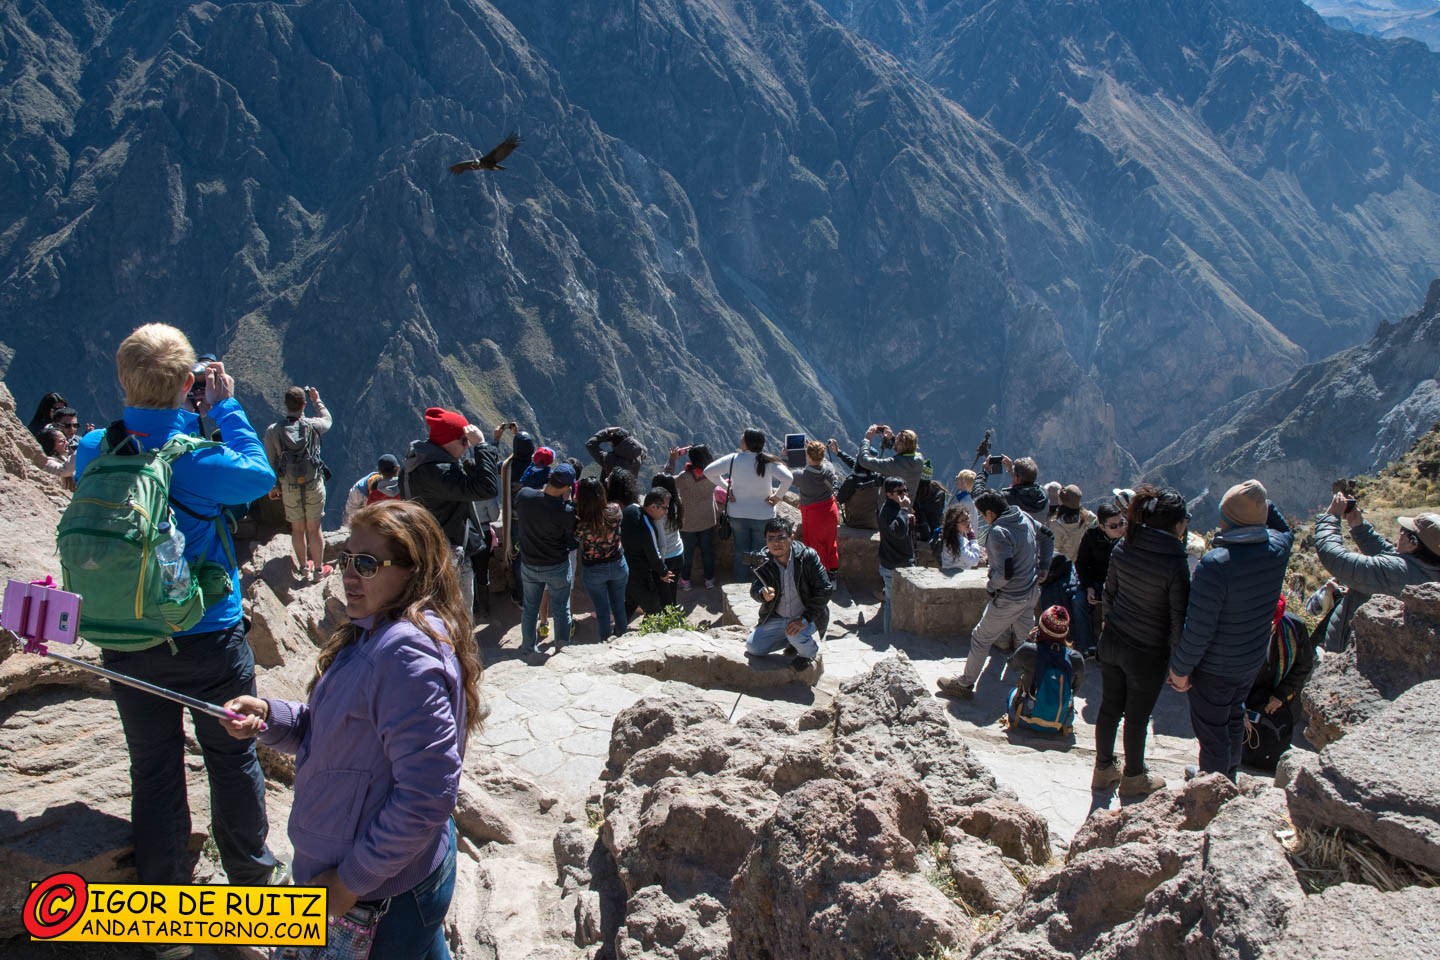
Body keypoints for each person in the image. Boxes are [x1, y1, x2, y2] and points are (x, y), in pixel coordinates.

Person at [73, 324, 281, 906]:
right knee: (231, 756)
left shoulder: (95, 451)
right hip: (207, 638)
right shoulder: (198, 458)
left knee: (154, 769)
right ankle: (251, 886)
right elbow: (258, 477)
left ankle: (162, 908)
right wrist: (226, 405)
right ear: (190, 383)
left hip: (126, 639)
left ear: (122, 378)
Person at [223, 500, 479, 960]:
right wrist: (269, 715)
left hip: (381, 895)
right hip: (400, 877)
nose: (349, 574)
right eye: (346, 559)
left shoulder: (402, 654)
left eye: (367, 563)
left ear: (412, 571)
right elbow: (337, 733)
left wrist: (347, 883)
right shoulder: (375, 631)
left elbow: (427, 793)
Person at [1169, 479, 1293, 782]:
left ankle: (1213, 789)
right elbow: (1285, 528)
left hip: (1215, 666)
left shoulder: (1217, 564)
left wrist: (1180, 670)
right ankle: (1230, 773)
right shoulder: (1277, 549)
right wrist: (1258, 501)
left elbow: (1199, 628)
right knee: (1234, 716)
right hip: (1250, 660)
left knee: (1212, 731)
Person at [1090, 486, 1190, 796]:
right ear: (1177, 523)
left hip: (1113, 640)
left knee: (1109, 707)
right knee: (1136, 717)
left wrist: (1110, 624)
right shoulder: (1175, 561)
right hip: (1147, 652)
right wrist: (1179, 664)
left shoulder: (1125, 545)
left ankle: (1104, 768)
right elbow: (1178, 619)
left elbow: (1109, 593)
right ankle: (1134, 776)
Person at [937, 487, 1053, 699]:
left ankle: (964, 685)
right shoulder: (1023, 516)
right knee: (1026, 638)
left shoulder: (999, 532)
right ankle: (1033, 684)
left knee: (981, 638)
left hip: (1010, 597)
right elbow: (1047, 534)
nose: (982, 519)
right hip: (1031, 591)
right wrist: (1044, 565)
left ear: (990, 513)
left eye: (982, 515)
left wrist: (991, 587)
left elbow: (1005, 572)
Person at [401, 407, 502, 616]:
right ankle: (457, 647)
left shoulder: (418, 462)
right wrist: (481, 445)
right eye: (464, 442)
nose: (466, 448)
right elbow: (486, 488)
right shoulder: (438, 471)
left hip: (432, 544)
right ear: (450, 441)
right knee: (456, 615)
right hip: (445, 553)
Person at [1312, 498, 1440, 651]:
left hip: (1347, 653)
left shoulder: (1396, 571)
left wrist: (1330, 518)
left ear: (1412, 543)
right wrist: (1358, 526)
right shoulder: (1428, 568)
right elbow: (1392, 555)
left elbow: (1335, 558)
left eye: (1403, 531)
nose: (1399, 533)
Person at [703, 429, 794, 581]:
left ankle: (741, 582)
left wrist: (727, 487)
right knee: (761, 551)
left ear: (747, 442)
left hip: (737, 514)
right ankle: (760, 581)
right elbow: (788, 478)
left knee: (741, 551)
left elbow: (708, 471)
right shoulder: (767, 461)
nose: (740, 438)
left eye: (742, 437)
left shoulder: (733, 459)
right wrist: (777, 497)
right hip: (763, 515)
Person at [264, 386, 333, 581]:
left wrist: (274, 486)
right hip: (313, 483)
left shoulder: (273, 431)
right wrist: (317, 400)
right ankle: (319, 571)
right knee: (314, 528)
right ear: (303, 405)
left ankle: (304, 569)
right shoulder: (314, 425)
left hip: (289, 485)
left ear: (286, 405)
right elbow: (328, 419)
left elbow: (270, 461)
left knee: (297, 528)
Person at [746, 517, 833, 671]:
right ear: (765, 540)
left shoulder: (807, 557)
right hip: (778, 617)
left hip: (806, 616)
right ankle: (792, 642)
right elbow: (755, 589)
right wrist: (762, 594)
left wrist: (805, 619)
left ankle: (809, 653)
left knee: (796, 635)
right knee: (754, 647)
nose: (776, 543)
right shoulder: (763, 560)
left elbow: (825, 588)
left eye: (781, 537)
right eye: (771, 538)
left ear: (791, 537)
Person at [1242, 597, 1316, 771]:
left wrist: (1281, 696)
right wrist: (1237, 704)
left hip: (1278, 691)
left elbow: (1304, 664)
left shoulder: (1294, 629)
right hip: (1245, 688)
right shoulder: (1241, 626)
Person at [515, 463, 578, 656]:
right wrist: (567, 501)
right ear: (567, 487)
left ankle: (527, 648)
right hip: (556, 566)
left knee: (530, 608)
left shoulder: (524, 496)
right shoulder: (566, 512)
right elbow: (571, 539)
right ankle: (561, 649)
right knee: (561, 608)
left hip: (530, 564)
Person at [1006, 605, 1086, 734]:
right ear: (1065, 632)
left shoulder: (1029, 650)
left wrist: (1028, 641)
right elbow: (1075, 689)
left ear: (1041, 628)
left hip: (1024, 719)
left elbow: (1012, 665)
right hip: (1061, 721)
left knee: (1012, 692)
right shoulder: (1076, 658)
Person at [575, 477, 629, 640]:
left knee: (602, 610)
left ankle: (606, 641)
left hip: (594, 569)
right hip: (618, 564)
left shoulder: (580, 523)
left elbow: (576, 539)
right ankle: (621, 637)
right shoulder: (615, 510)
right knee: (619, 605)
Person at [1073, 502, 1126, 657]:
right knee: (1078, 601)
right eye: (1114, 526)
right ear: (1102, 526)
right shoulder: (1091, 536)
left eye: (1121, 523)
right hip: (1096, 582)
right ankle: (1086, 646)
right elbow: (1081, 563)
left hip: (1120, 585)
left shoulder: (1128, 539)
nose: (1119, 529)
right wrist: (1088, 586)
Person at [669, 444, 718, 589]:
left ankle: (685, 581)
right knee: (707, 551)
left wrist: (672, 460)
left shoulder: (684, 477)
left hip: (688, 521)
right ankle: (709, 580)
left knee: (687, 553)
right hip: (707, 519)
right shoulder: (713, 475)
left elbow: (665, 480)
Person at [622, 487, 673, 617]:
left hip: (625, 568)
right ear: (653, 507)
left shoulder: (630, 510)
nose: (666, 512)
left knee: (630, 603)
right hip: (640, 574)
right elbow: (654, 554)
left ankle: (618, 633)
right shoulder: (648, 527)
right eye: (665, 507)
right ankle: (650, 636)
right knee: (654, 610)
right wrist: (663, 572)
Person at [795, 440, 840, 575]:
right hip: (830, 511)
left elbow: (783, 473)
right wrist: (814, 451)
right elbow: (825, 462)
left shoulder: (801, 476)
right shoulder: (829, 469)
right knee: (831, 544)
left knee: (814, 546)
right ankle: (832, 577)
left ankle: (818, 577)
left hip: (814, 515)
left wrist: (783, 456)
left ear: (807, 456)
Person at [877, 476, 915, 633]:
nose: (904, 494)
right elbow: (897, 532)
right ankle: (889, 635)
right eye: (899, 491)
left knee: (894, 601)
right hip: (894, 564)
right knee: (891, 603)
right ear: (889, 494)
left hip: (895, 561)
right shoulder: (888, 511)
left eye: (905, 490)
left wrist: (905, 515)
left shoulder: (893, 508)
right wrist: (905, 511)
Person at [975, 455, 1049, 526]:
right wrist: (1011, 471)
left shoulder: (1007, 498)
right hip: (1037, 537)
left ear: (1017, 478)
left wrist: (984, 472)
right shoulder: (1044, 494)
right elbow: (1024, 483)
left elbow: (978, 495)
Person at [854, 425, 925, 493]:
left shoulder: (895, 464)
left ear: (901, 445)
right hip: (906, 503)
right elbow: (905, 449)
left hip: (888, 503)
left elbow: (864, 461)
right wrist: (892, 438)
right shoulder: (919, 459)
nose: (895, 441)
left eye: (897, 439)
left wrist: (867, 439)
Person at [831, 437, 882, 530]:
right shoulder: (877, 478)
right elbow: (854, 463)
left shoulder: (852, 481)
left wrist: (834, 484)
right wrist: (839, 452)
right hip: (873, 523)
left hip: (854, 523)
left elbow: (839, 499)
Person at [343, 454, 403, 524]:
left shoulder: (365, 488)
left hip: (359, 495)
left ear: (379, 471)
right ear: (398, 468)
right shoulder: (401, 486)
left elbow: (352, 511)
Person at [938, 502, 982, 572]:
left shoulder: (953, 535)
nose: (967, 522)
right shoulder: (958, 541)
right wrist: (973, 538)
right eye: (962, 521)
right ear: (954, 524)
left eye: (967, 518)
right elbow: (974, 561)